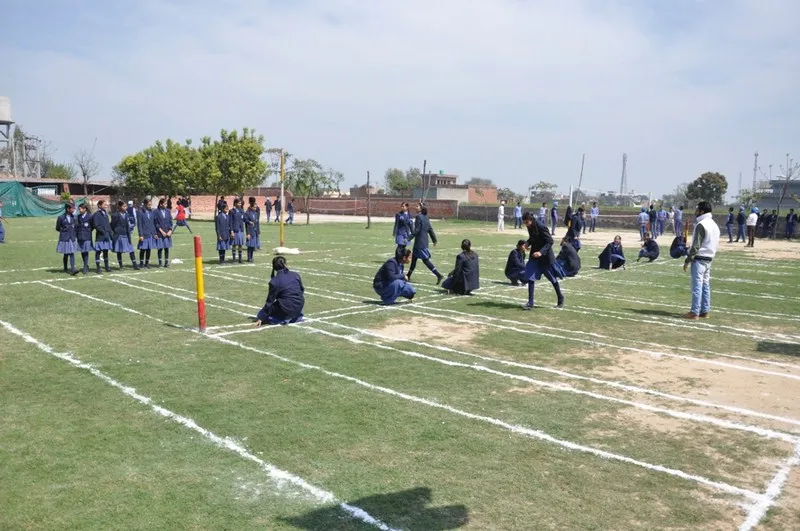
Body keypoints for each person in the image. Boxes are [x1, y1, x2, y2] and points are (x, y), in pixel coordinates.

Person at [683, 201, 720, 320]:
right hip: (709, 259)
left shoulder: (701, 224)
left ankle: (694, 312)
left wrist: (688, 260)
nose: (695, 212)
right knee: (705, 285)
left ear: (702, 211)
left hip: (699, 259)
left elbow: (696, 246)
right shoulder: (714, 225)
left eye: (697, 209)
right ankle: (705, 311)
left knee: (697, 287)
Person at [521, 211, 565, 310]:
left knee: (552, 279)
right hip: (534, 256)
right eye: (524, 223)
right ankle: (530, 303)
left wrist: (541, 252)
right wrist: (527, 243)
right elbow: (532, 238)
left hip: (545, 257)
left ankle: (560, 298)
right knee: (531, 277)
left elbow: (550, 241)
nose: (526, 225)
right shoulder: (530, 226)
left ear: (531, 220)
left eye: (526, 222)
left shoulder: (541, 226)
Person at [255, 256, 305, 326]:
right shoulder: (295, 274)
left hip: (286, 307)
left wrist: (261, 317)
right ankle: (294, 316)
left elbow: (270, 302)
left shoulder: (274, 281)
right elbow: (302, 290)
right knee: (287, 307)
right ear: (285, 264)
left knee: (260, 313)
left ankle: (284, 318)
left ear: (274, 267)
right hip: (299, 305)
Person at [407, 204, 443, 284]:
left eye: (417, 206)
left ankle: (439, 275)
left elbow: (417, 230)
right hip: (422, 242)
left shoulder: (418, 217)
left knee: (425, 260)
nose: (415, 207)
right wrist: (434, 240)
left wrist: (408, 238)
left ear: (421, 208)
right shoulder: (426, 217)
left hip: (420, 243)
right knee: (414, 260)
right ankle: (408, 276)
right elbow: (430, 229)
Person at [111, 201, 139, 270]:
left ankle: (135, 265)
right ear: (120, 207)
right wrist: (115, 232)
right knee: (119, 251)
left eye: (126, 206)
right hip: (119, 235)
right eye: (124, 206)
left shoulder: (126, 214)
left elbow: (128, 224)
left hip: (126, 235)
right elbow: (112, 225)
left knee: (131, 250)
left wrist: (130, 230)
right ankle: (121, 266)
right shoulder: (115, 215)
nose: (125, 207)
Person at [56, 202, 78, 275]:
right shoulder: (61, 217)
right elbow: (57, 228)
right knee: (66, 253)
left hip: (72, 238)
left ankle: (73, 269)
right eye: (72, 208)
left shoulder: (74, 217)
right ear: (68, 209)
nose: (74, 209)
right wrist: (64, 229)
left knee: (71, 253)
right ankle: (65, 267)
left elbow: (76, 226)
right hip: (65, 238)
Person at [92, 200, 113, 273]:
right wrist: (103, 232)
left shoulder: (106, 214)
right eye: (104, 204)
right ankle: (98, 268)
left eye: (106, 204)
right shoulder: (96, 214)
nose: (106, 205)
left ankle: (107, 267)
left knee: (106, 251)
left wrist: (111, 235)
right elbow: (96, 225)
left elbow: (108, 226)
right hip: (100, 237)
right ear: (99, 205)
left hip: (106, 236)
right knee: (98, 252)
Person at [136, 198, 158, 268]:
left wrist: (155, 233)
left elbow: (153, 224)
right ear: (145, 204)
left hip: (150, 233)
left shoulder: (151, 212)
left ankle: (147, 263)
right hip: (144, 234)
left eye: (151, 205)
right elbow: (139, 224)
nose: (150, 206)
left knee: (149, 249)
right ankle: (141, 263)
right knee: (143, 249)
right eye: (149, 205)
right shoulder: (140, 212)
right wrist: (141, 235)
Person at [155, 197, 173, 267]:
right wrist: (161, 231)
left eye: (166, 204)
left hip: (167, 233)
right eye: (165, 204)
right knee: (160, 248)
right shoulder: (156, 212)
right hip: (160, 233)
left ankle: (166, 263)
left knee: (166, 248)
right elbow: (156, 223)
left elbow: (170, 222)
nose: (166, 205)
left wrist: (170, 230)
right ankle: (160, 263)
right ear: (161, 204)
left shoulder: (168, 211)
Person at [75, 203, 93, 275]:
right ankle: (86, 264)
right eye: (79, 209)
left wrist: (87, 230)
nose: (79, 210)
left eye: (80, 209)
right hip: (80, 236)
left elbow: (92, 226)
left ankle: (85, 266)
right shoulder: (78, 216)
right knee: (82, 251)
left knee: (86, 251)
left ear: (85, 209)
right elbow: (77, 226)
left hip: (87, 236)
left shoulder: (90, 216)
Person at [229, 198, 246, 263]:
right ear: (235, 203)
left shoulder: (242, 211)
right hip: (235, 230)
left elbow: (244, 219)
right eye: (239, 203)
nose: (240, 204)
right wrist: (231, 231)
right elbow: (230, 222)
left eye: (240, 203)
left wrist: (249, 222)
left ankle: (240, 259)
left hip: (241, 230)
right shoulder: (231, 211)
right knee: (234, 244)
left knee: (240, 244)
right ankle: (234, 258)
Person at [245, 197, 261, 262]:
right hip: (250, 231)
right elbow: (246, 224)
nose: (255, 208)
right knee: (250, 245)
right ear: (251, 207)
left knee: (253, 245)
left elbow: (257, 223)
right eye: (254, 207)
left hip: (255, 231)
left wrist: (258, 231)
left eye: (256, 207)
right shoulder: (248, 213)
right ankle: (249, 257)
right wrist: (248, 233)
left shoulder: (256, 214)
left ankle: (251, 257)